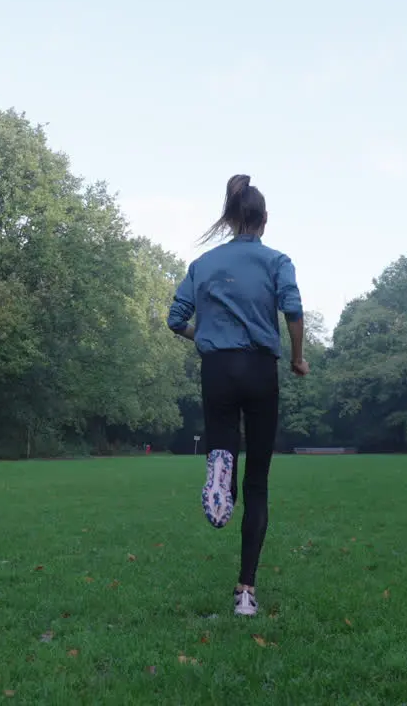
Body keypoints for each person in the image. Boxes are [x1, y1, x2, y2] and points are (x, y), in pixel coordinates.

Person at [166, 174, 308, 617]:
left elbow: (175, 319)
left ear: (230, 220)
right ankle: (246, 591)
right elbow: (293, 310)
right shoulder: (277, 260)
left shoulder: (203, 264)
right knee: (259, 482)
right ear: (264, 220)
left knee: (223, 438)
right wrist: (297, 358)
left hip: (218, 369)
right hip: (260, 368)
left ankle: (218, 468)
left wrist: (205, 337)